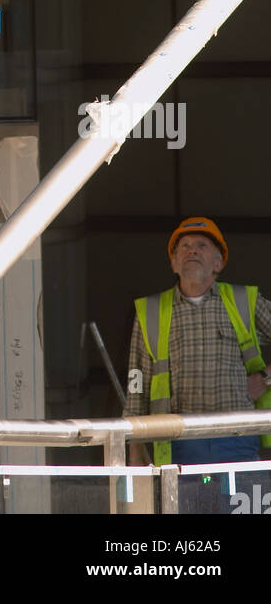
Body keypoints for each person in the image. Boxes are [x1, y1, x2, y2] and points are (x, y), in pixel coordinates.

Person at [125, 217, 271, 512]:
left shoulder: (244, 301)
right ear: (173, 263)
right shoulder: (150, 312)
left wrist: (266, 377)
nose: (192, 251)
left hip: (237, 442)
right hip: (178, 447)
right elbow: (136, 382)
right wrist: (134, 450)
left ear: (218, 263)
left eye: (201, 246)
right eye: (185, 246)